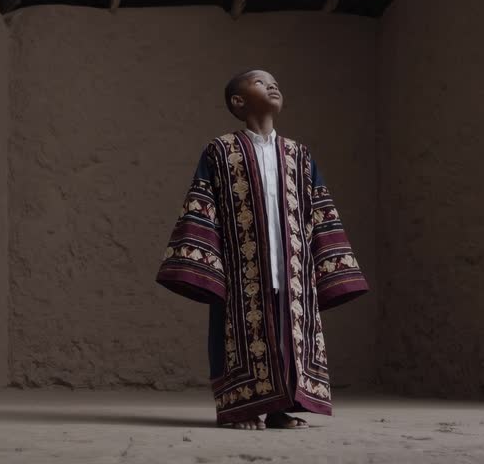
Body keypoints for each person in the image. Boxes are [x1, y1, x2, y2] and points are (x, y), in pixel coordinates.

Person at [156, 69, 368, 430]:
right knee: (239, 335)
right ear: (238, 102)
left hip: (293, 269)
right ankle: (241, 409)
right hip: (242, 269)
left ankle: (279, 409)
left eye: (274, 82)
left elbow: (320, 211)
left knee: (289, 335)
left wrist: (326, 267)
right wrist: (208, 266)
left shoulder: (299, 155)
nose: (272, 85)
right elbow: (202, 205)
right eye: (259, 81)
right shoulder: (221, 150)